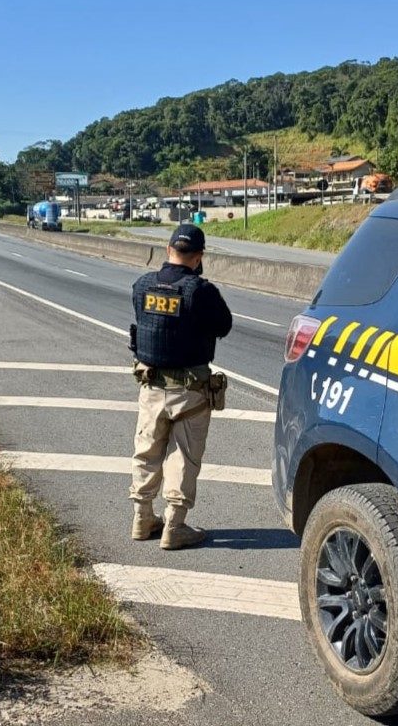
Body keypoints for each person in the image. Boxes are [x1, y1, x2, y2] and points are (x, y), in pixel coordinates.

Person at [128, 223, 232, 550]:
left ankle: (142, 518)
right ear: (199, 256)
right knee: (183, 458)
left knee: (147, 452)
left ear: (167, 250)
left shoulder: (142, 285)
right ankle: (174, 526)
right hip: (190, 391)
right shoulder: (200, 291)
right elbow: (223, 326)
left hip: (150, 386)